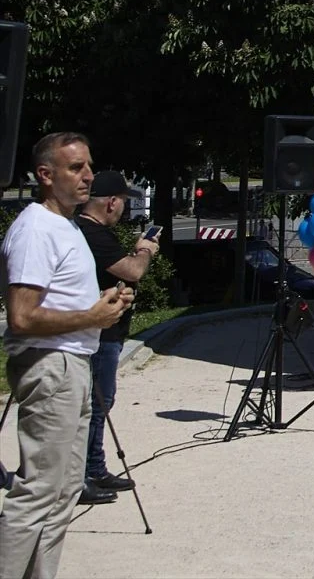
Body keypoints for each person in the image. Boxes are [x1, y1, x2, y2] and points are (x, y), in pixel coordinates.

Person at [1, 133, 133, 579]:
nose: (89, 176)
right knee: (38, 492)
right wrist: (92, 314)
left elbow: (59, 303)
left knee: (62, 495)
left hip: (73, 363)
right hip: (50, 364)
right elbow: (21, 317)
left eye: (89, 166)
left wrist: (103, 304)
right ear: (45, 175)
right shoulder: (36, 228)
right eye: (76, 168)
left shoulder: (68, 225)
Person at [75, 171, 158, 503]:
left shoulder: (89, 231)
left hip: (106, 330)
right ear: (111, 202)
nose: (123, 208)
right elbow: (133, 270)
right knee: (95, 405)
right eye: (123, 202)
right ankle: (82, 475)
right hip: (100, 334)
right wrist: (145, 249)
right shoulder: (92, 233)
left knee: (100, 403)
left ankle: (95, 468)